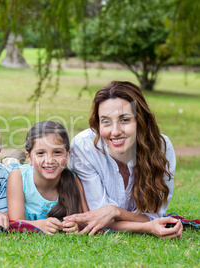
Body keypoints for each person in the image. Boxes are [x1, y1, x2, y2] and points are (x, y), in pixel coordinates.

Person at [65, 81, 183, 239]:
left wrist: (115, 211)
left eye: (125, 120)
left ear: (141, 121)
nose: (115, 132)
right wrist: (146, 228)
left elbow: (153, 216)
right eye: (106, 121)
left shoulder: (161, 147)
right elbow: (98, 218)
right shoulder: (84, 147)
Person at [7, 121, 88, 235]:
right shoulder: (18, 177)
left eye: (57, 152)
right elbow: (15, 223)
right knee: (10, 165)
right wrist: (40, 225)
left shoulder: (73, 178)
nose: (50, 160)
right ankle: (11, 160)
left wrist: (75, 226)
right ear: (29, 157)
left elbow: (84, 220)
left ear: (68, 155)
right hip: (17, 169)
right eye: (41, 153)